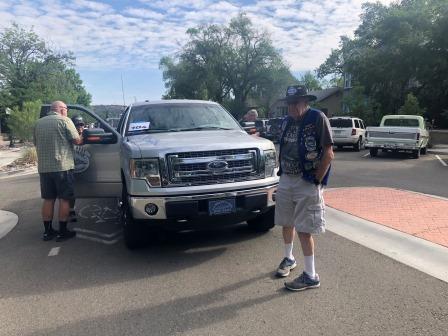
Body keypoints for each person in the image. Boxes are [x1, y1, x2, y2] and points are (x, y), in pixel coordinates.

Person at [274, 85, 334, 291]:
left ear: (305, 101)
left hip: (307, 180)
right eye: (289, 103)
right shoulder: (286, 121)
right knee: (286, 222)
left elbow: (328, 153)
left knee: (304, 229)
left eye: (295, 103)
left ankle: (311, 275)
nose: (291, 108)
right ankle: (289, 258)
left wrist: (317, 179)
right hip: (286, 179)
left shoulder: (317, 118)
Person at [33, 101, 82, 241]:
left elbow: (35, 143)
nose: (67, 112)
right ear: (61, 109)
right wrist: (82, 135)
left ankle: (48, 232)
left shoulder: (38, 123)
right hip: (62, 168)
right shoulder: (64, 120)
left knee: (48, 199)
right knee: (64, 199)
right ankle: (62, 232)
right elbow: (77, 141)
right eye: (66, 109)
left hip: (44, 168)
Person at [68, 115, 86, 223]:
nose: (79, 127)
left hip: (86, 167)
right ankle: (71, 210)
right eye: (77, 125)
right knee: (71, 190)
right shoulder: (69, 136)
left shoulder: (87, 134)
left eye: (81, 124)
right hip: (71, 167)